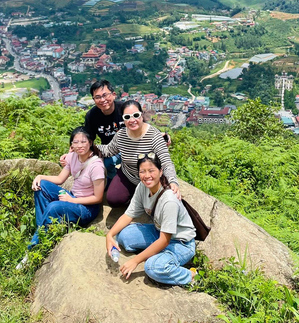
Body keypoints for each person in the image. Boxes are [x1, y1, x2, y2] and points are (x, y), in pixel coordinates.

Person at [18, 127, 105, 268]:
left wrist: (72, 200)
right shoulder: (72, 157)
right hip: (72, 197)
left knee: (54, 207)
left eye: (83, 142)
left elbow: (98, 198)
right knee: (42, 186)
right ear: (71, 145)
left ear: (90, 143)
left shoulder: (96, 166)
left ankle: (33, 249)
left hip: (86, 208)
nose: (79, 145)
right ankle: (42, 232)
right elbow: (60, 179)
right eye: (75, 142)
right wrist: (39, 177)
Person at [105, 153, 197, 286]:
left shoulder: (169, 200)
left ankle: (190, 275)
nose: (147, 175)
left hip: (180, 243)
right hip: (158, 231)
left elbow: (164, 240)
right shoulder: (143, 187)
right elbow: (128, 215)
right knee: (124, 236)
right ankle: (157, 253)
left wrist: (135, 261)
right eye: (142, 171)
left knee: (153, 268)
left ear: (160, 172)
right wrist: (110, 235)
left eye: (151, 170)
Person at [98, 100, 181, 207]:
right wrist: (86, 148)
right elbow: (108, 150)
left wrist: (173, 182)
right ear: (123, 119)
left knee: (158, 204)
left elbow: (166, 162)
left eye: (136, 115)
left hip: (150, 177)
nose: (132, 120)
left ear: (142, 115)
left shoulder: (154, 136)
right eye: (127, 117)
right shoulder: (121, 135)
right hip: (128, 174)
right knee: (114, 199)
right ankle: (135, 197)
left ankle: (141, 197)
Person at [61, 80, 125, 180]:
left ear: (113, 95)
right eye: (98, 97)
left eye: (105, 95)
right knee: (106, 164)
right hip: (108, 151)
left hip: (130, 147)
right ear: (94, 100)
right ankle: (113, 181)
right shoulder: (92, 116)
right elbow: (88, 138)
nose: (102, 100)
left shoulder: (124, 109)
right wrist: (72, 155)